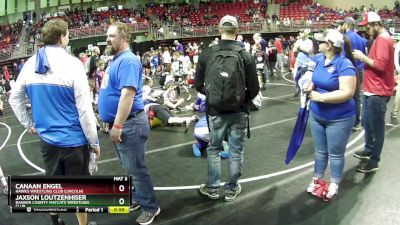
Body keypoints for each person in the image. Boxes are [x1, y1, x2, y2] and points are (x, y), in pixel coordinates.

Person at [8, 18, 100, 225]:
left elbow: (14, 98)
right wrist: (94, 142)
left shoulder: (30, 63)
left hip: (47, 140)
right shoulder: (73, 64)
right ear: (62, 37)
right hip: (74, 141)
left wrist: (28, 123)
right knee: (78, 190)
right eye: (68, 34)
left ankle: (55, 221)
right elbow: (85, 110)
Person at [97, 22, 160, 225]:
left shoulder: (129, 61)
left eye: (111, 35)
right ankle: (139, 198)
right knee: (128, 166)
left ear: (123, 37)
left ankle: (151, 207)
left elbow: (127, 96)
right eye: (107, 35)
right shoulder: (116, 60)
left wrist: (117, 125)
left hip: (130, 124)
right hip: (124, 124)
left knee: (136, 169)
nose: (107, 39)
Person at [195, 15, 259, 201]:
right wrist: (242, 100)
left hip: (215, 111)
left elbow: (198, 84)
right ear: (237, 31)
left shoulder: (207, 53)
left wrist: (214, 97)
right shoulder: (245, 55)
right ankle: (231, 189)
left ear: (219, 29)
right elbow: (254, 88)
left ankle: (213, 188)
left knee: (214, 148)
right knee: (236, 150)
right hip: (239, 111)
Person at [305, 29, 357, 201]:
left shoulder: (345, 64)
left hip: (339, 118)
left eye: (320, 41)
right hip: (317, 115)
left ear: (329, 45)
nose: (316, 43)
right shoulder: (318, 59)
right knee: (320, 152)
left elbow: (347, 92)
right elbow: (311, 77)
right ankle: (317, 179)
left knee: (335, 153)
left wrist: (321, 97)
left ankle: (334, 183)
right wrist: (309, 85)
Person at [353, 12, 395, 173]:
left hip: (378, 91)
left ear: (377, 24)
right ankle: (369, 149)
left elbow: (380, 65)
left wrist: (363, 57)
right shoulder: (380, 38)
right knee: (367, 123)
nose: (366, 30)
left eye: (368, 27)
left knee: (377, 128)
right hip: (372, 90)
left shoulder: (384, 39)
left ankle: (374, 160)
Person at [338, 17, 368, 131]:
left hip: (348, 71)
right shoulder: (360, 38)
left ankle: (346, 121)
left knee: (345, 95)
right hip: (359, 69)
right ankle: (356, 123)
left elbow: (343, 56)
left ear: (346, 25)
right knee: (356, 97)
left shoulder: (346, 38)